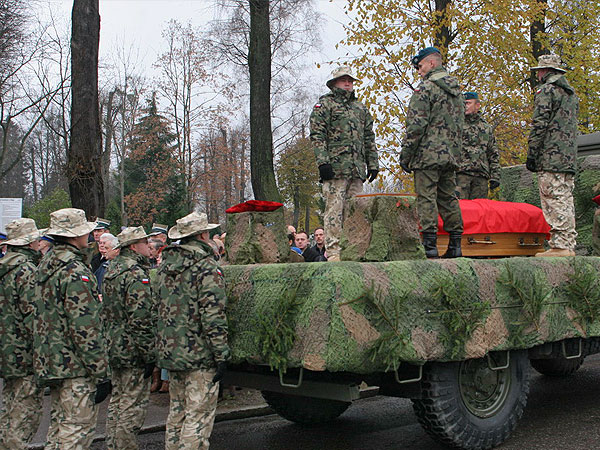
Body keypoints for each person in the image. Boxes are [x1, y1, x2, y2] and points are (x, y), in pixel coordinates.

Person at [32, 208, 110, 449]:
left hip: (52, 360)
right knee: (77, 431)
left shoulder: (47, 266)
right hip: (74, 365)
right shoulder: (74, 271)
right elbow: (84, 327)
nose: (88, 236)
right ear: (74, 235)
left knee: (58, 429)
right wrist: (100, 372)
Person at [156, 212, 230, 450]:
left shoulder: (164, 269)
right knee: (198, 418)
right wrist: (221, 354)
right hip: (200, 356)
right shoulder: (206, 267)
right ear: (202, 235)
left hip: (172, 354)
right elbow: (213, 315)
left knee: (177, 414)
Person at [400, 47, 464, 258]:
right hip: (450, 156)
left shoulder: (426, 90)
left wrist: (406, 155)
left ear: (432, 64)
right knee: (448, 198)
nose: (418, 71)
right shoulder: (457, 92)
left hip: (427, 155)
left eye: (420, 66)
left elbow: (416, 126)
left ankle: (430, 246)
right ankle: (455, 246)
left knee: (426, 197)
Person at [310, 66, 379, 262]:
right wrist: (323, 162)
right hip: (335, 169)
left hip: (356, 170)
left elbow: (368, 137)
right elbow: (317, 135)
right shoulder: (325, 105)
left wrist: (372, 163)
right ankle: (333, 252)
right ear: (334, 84)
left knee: (356, 211)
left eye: (350, 80)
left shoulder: (360, 108)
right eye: (343, 80)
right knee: (334, 211)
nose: (347, 83)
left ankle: (354, 249)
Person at [102, 226, 156, 450]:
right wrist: (149, 353)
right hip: (131, 348)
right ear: (134, 246)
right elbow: (140, 318)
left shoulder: (112, 269)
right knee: (131, 406)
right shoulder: (134, 273)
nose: (149, 246)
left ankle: (113, 445)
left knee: (117, 401)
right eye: (145, 242)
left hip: (114, 344)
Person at [527, 54, 579, 257]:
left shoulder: (547, 91)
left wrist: (532, 152)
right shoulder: (571, 95)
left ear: (545, 71)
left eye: (539, 71)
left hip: (550, 156)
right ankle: (567, 243)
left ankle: (560, 245)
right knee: (565, 198)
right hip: (568, 157)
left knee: (552, 198)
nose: (537, 74)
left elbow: (540, 123)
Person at [0, 218, 43, 449]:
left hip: (6, 349)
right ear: (29, 243)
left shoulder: (4, 267)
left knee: (9, 406)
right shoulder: (26, 271)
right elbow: (34, 316)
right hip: (25, 352)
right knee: (26, 411)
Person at [456, 92, 501, 199]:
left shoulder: (485, 128)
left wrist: (495, 176)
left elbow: (493, 153)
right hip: (460, 175)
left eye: (468, 103)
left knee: (480, 212)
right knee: (460, 210)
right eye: (463, 103)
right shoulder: (456, 125)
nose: (464, 106)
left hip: (481, 177)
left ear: (477, 105)